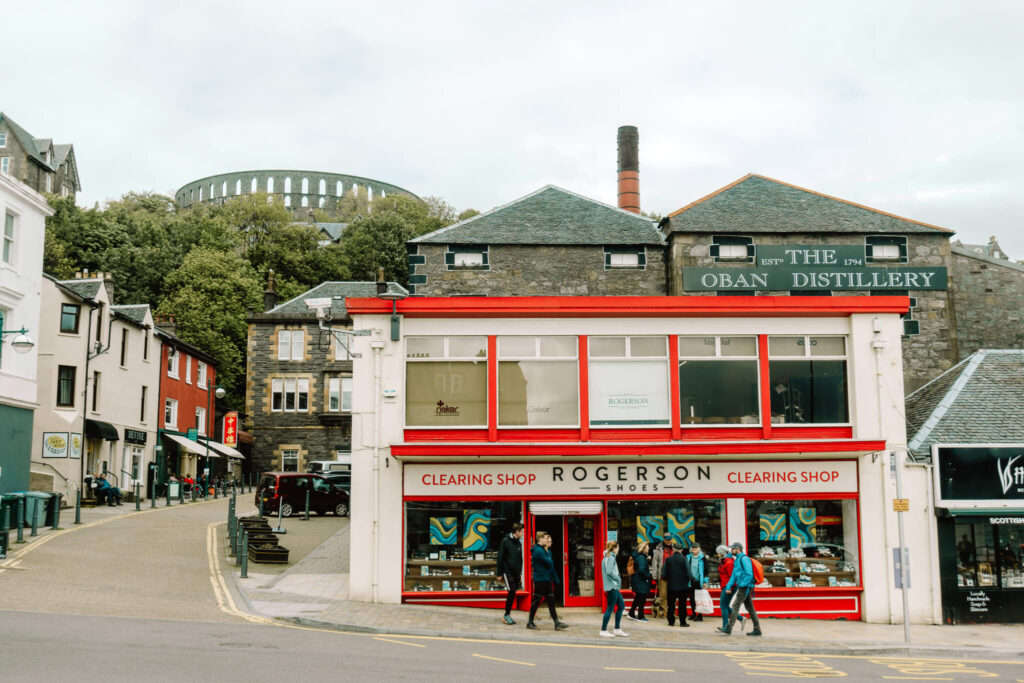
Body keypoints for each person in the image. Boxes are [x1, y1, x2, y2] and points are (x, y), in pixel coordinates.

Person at [717, 541, 762, 637]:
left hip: (745, 587)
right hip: (744, 586)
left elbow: (749, 574)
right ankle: (757, 629)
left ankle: (729, 628)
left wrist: (743, 585)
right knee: (750, 608)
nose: (731, 550)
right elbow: (734, 575)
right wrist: (729, 586)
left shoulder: (744, 559)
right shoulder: (737, 560)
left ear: (738, 549)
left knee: (735, 606)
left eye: (733, 549)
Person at [528, 531, 568, 631]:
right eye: (545, 538)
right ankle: (530, 622)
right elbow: (549, 563)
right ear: (540, 539)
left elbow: (550, 565)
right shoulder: (538, 551)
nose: (547, 540)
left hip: (547, 579)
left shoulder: (545, 551)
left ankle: (556, 622)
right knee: (536, 601)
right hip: (541, 579)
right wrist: (548, 556)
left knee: (551, 600)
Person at [496, 522, 525, 625]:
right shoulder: (505, 541)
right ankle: (506, 615)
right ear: (516, 531)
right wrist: (499, 573)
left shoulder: (519, 542)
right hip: (507, 571)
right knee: (512, 591)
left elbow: (519, 559)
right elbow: (500, 557)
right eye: (522, 531)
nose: (523, 533)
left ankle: (508, 614)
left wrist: (520, 573)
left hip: (516, 572)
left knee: (513, 593)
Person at [599, 541, 629, 637]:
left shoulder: (606, 557)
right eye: (618, 548)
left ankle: (617, 629)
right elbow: (609, 572)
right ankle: (603, 630)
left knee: (621, 605)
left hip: (611, 586)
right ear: (614, 548)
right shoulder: (611, 558)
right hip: (612, 586)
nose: (619, 549)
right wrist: (618, 578)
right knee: (610, 608)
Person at [716, 545, 745, 631]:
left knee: (723, 606)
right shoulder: (725, 561)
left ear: (722, 553)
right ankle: (741, 618)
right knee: (725, 605)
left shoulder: (728, 562)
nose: (717, 554)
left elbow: (732, 577)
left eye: (718, 552)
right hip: (726, 586)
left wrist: (729, 588)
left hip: (728, 587)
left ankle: (725, 626)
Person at [662, 543, 691, 627]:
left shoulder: (668, 560)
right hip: (683, 586)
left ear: (673, 549)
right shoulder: (684, 559)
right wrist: (686, 580)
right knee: (682, 604)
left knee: (671, 604)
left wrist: (669, 579)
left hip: (671, 586)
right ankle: (683, 622)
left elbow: (664, 573)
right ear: (681, 550)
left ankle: (671, 621)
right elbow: (689, 573)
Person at [650, 534, 674, 618]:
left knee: (672, 595)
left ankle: (672, 612)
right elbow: (654, 563)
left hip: (673, 576)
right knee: (663, 595)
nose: (669, 541)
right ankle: (664, 613)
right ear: (663, 539)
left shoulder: (674, 548)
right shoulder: (658, 549)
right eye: (667, 539)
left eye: (670, 539)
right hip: (663, 575)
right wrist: (655, 576)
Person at [627, 542, 652, 621]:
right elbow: (641, 570)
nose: (649, 549)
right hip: (641, 581)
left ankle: (631, 613)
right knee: (642, 599)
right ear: (644, 548)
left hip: (637, 580)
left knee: (638, 598)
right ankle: (641, 616)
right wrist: (648, 576)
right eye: (647, 547)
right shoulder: (642, 558)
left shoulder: (639, 556)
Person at [685, 542, 710, 622]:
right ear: (691, 549)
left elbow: (706, 571)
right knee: (691, 598)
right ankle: (693, 613)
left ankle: (700, 616)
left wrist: (705, 582)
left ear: (699, 549)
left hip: (699, 581)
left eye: (696, 548)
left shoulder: (703, 558)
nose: (694, 549)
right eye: (693, 548)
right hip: (690, 581)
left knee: (699, 599)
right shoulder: (688, 557)